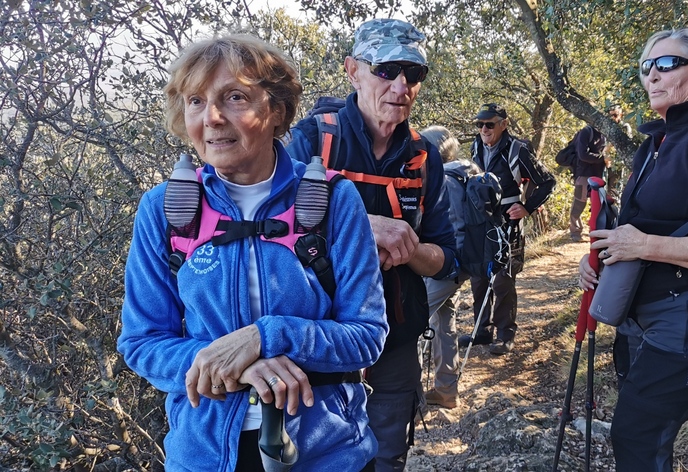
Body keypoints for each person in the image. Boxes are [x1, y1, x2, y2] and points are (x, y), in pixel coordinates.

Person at [118, 34, 387, 471]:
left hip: (326, 452)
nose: (213, 118)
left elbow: (367, 335)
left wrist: (266, 336)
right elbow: (141, 341)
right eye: (196, 101)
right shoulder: (164, 210)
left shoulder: (334, 200)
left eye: (235, 97)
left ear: (276, 110)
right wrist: (229, 364)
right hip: (205, 455)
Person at [578, 28, 688, 471]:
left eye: (667, 64)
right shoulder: (655, 144)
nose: (652, 76)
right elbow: (641, 226)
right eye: (646, 67)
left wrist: (641, 245)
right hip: (640, 316)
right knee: (642, 441)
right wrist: (600, 257)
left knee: (636, 440)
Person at [285, 19, 457, 472]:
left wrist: (409, 247)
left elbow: (446, 260)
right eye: (386, 69)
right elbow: (267, 230)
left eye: (414, 74)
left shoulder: (424, 157)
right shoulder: (312, 140)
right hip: (316, 340)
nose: (401, 86)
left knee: (386, 458)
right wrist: (364, 226)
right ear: (352, 70)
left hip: (395, 336)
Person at [460, 103, 555, 355]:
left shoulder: (518, 149)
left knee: (503, 278)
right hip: (480, 220)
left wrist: (527, 207)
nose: (483, 129)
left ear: (504, 124)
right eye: (479, 124)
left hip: (508, 220)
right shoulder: (476, 146)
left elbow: (547, 181)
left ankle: (505, 334)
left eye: (489, 124)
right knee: (479, 275)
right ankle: (481, 331)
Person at [418, 125, 470, 409]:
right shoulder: (467, 172)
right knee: (444, 322)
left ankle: (408, 398)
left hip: (447, 266)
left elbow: (449, 228)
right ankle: (446, 390)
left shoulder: (446, 180)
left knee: (411, 323)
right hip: (462, 266)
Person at [568, 114, 611, 242]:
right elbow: (582, 155)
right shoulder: (586, 132)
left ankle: (596, 231)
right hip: (584, 174)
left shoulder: (605, 135)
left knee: (598, 204)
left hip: (598, 175)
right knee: (579, 203)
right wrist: (602, 158)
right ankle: (575, 232)